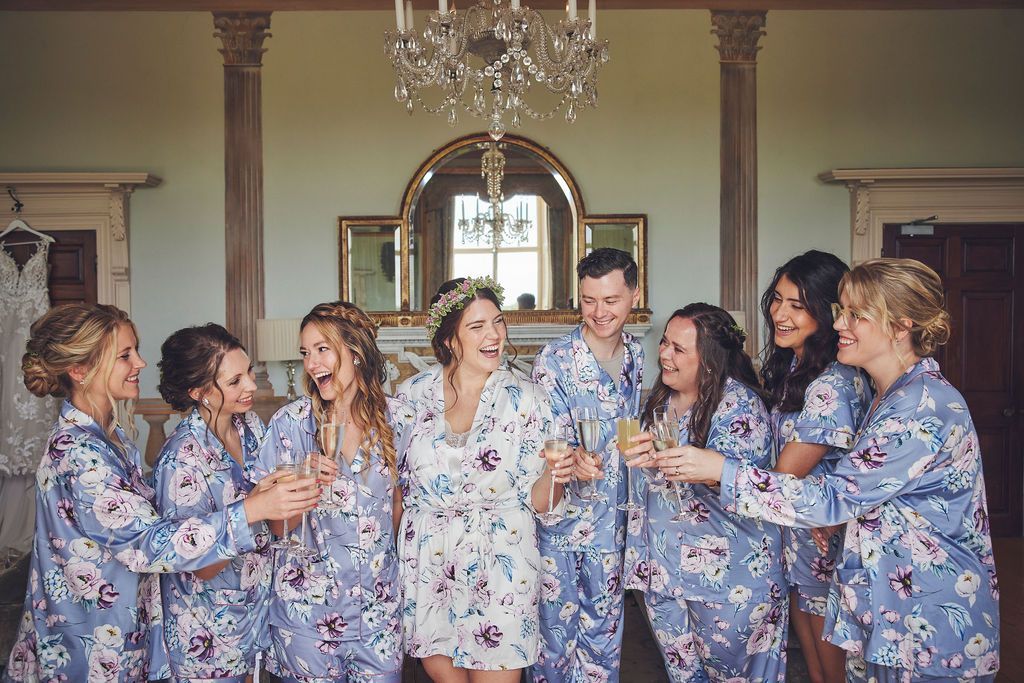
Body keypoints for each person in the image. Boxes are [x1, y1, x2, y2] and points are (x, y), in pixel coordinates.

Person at [668, 258, 1000, 682]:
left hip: (929, 622)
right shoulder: (891, 395)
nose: (839, 323)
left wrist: (721, 468)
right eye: (841, 310)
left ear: (900, 327)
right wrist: (843, 516)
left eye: (855, 315)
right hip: (889, 611)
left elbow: (834, 495)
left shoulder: (920, 406)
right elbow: (863, 492)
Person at [3, 304, 318, 683]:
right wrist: (253, 508)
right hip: (93, 642)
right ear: (80, 370)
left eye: (135, 350)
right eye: (124, 355)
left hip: (137, 629)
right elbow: (147, 543)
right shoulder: (77, 453)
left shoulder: (113, 437)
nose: (140, 362)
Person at [397, 276, 573, 682]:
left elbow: (544, 505)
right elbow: (392, 484)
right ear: (449, 340)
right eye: (476, 327)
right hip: (430, 565)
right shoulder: (412, 396)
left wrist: (557, 473)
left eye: (498, 322)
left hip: (502, 562)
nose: (493, 335)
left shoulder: (530, 400)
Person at [622, 303, 788, 682]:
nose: (663, 353)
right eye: (664, 343)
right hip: (663, 572)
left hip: (728, 579)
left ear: (709, 361)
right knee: (684, 676)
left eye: (678, 349)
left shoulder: (738, 406)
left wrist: (691, 464)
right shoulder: (659, 403)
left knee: (734, 677)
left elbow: (736, 479)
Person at [253, 301, 413, 683]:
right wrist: (297, 487)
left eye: (322, 349)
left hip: (377, 618)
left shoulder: (400, 421)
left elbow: (399, 511)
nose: (311, 363)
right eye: (306, 353)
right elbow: (275, 528)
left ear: (355, 352)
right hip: (306, 618)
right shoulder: (289, 425)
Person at [528, 247, 643, 683]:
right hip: (563, 529)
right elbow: (547, 441)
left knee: (605, 639)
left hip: (615, 526)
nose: (599, 312)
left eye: (611, 300)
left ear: (634, 293)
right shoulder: (553, 361)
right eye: (589, 300)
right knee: (554, 648)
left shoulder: (637, 354)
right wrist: (572, 460)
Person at [760, 250, 871, 683]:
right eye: (778, 299)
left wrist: (710, 467)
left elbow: (784, 474)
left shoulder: (831, 384)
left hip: (823, 532)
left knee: (831, 647)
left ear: (828, 314)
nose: (779, 314)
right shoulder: (794, 366)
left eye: (797, 305)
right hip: (797, 529)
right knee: (808, 631)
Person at [151, 324, 273, 682]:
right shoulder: (182, 461)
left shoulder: (251, 427)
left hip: (253, 615)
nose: (251, 385)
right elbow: (198, 567)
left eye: (248, 371)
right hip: (205, 634)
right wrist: (256, 506)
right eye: (234, 381)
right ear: (200, 392)